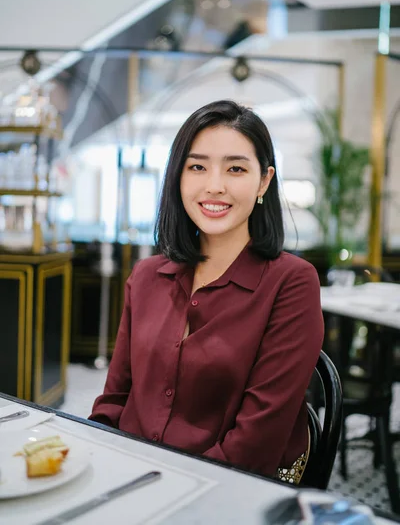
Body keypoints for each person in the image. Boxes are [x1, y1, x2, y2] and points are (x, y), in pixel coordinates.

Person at [89, 99, 324, 478]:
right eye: (197, 167)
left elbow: (256, 442)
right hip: (130, 473)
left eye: (235, 169)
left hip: (225, 490)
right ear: (178, 177)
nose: (214, 186)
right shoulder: (147, 277)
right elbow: (115, 401)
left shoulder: (292, 283)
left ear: (263, 181)